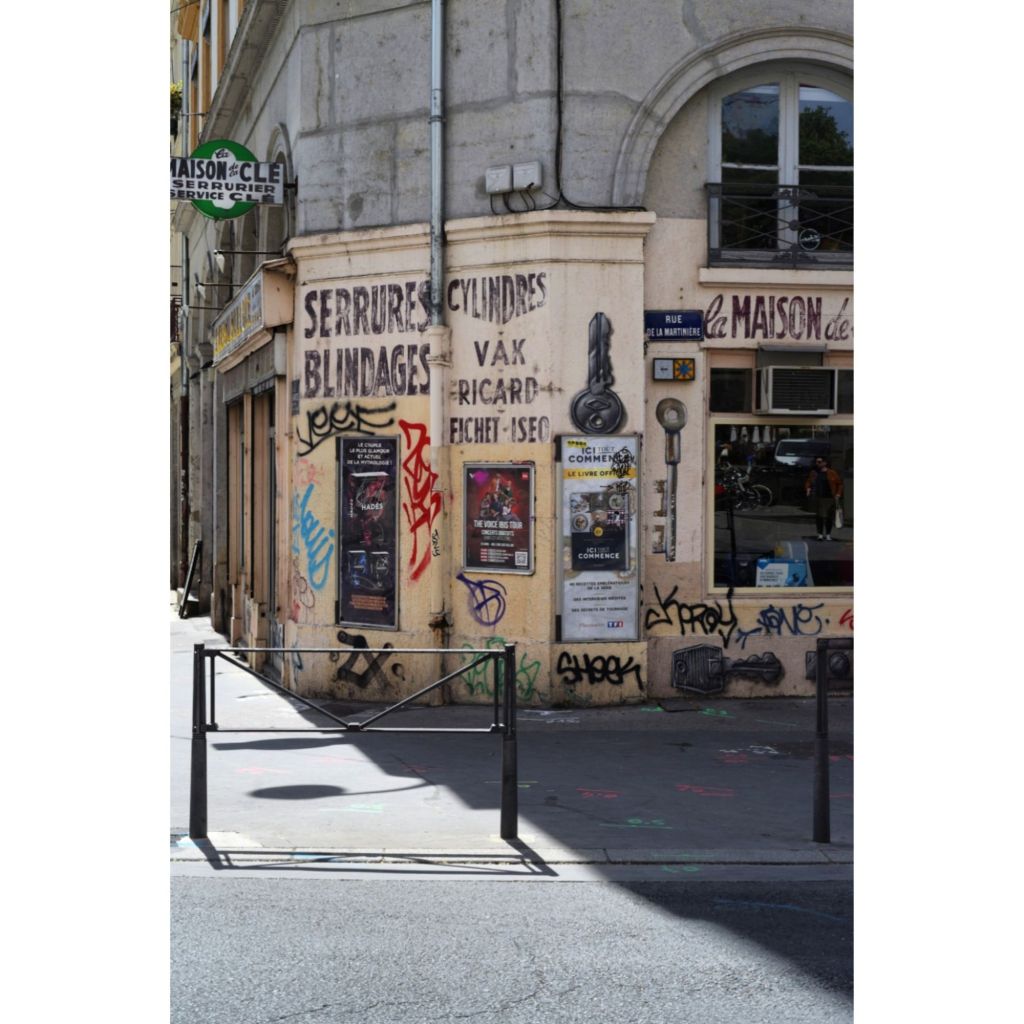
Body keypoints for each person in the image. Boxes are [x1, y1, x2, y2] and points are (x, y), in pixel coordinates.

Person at [805, 456, 843, 540]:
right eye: (816, 462)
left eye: (819, 462)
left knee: (829, 516)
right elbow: (809, 481)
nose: (817, 463)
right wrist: (808, 488)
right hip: (819, 497)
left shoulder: (832, 473)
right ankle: (820, 534)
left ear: (825, 463)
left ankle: (828, 534)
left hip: (829, 497)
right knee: (819, 516)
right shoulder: (814, 472)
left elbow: (839, 484)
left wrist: (838, 494)